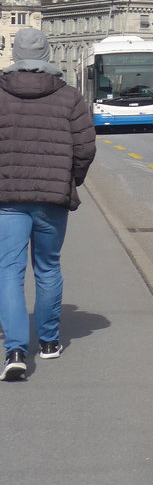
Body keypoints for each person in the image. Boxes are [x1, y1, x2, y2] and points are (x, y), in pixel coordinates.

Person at [0, 28, 96, 381]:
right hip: (52, 198)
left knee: (8, 272)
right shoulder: (69, 96)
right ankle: (50, 341)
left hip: (7, 198)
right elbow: (85, 148)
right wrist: (70, 180)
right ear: (47, 54)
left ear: (14, 53)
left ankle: (14, 350)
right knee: (48, 266)